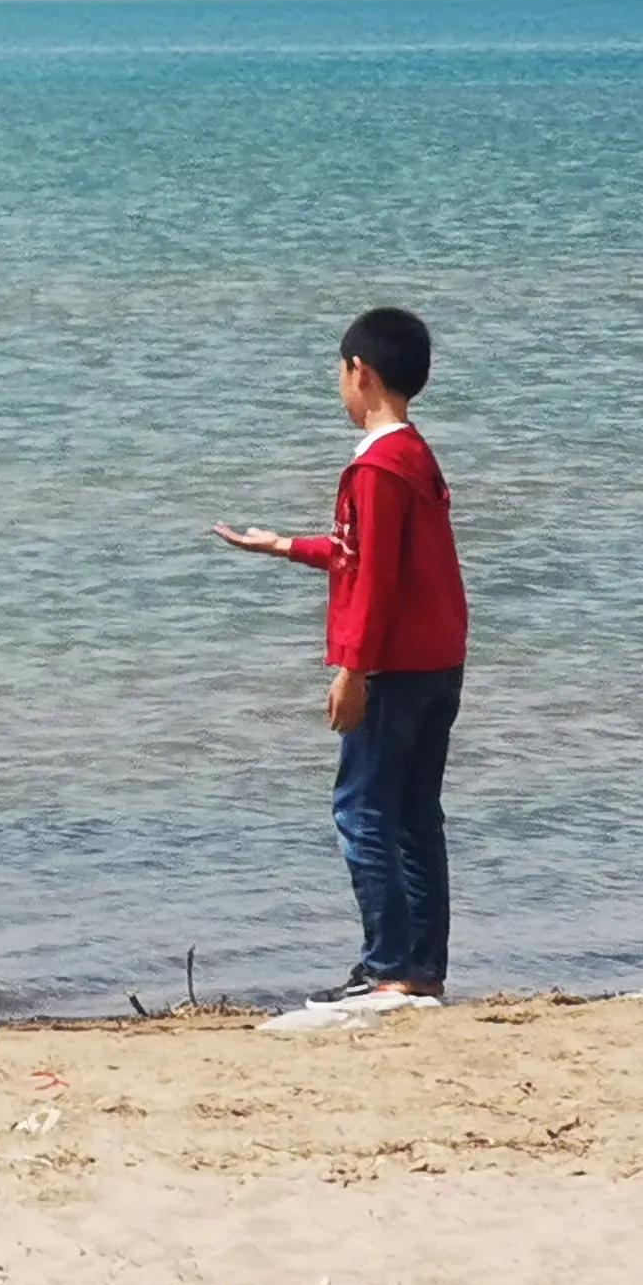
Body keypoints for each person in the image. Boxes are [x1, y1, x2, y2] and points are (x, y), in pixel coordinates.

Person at [213, 306, 469, 1009]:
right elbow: (366, 556)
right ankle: (421, 968)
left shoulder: (377, 466)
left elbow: (377, 577)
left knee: (361, 810)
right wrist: (284, 545)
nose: (339, 385)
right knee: (414, 813)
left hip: (394, 667)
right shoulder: (413, 452)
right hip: (438, 660)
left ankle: (387, 964)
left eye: (341, 372)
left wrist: (351, 669)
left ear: (363, 374)